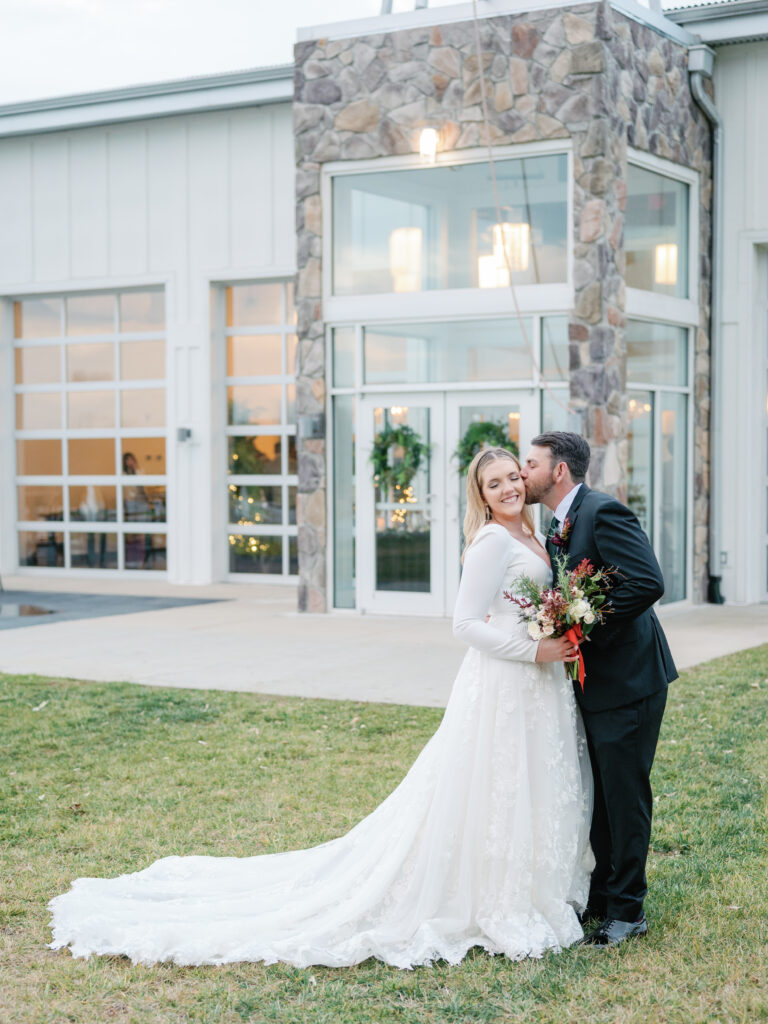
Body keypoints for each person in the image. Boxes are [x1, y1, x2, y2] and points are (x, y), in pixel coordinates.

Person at [48, 448, 592, 968]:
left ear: (526, 479)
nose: (508, 488)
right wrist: (534, 647)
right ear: (481, 494)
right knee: (494, 787)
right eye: (493, 483)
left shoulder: (535, 532)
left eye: (512, 478)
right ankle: (492, 899)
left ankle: (530, 885)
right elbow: (465, 624)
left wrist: (555, 630)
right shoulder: (493, 541)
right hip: (503, 681)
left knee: (525, 782)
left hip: (536, 684)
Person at [520, 431, 677, 948]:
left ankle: (629, 911)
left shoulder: (603, 512)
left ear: (558, 470)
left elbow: (646, 581)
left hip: (630, 679)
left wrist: (583, 627)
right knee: (601, 795)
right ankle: (606, 899)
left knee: (624, 795)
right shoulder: (558, 522)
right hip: (593, 681)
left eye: (531, 463)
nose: (524, 472)